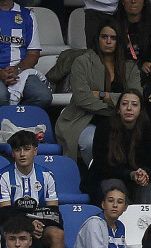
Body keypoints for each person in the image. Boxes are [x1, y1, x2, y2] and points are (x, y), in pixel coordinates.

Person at [55, 23, 142, 168]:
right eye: (104, 37)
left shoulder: (130, 67)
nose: (108, 41)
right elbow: (82, 99)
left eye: (113, 38)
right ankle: (97, 180)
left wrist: (103, 95)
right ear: (98, 39)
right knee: (91, 143)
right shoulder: (82, 62)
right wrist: (118, 106)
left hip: (121, 121)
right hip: (83, 119)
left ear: (119, 41)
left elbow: (136, 96)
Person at [0, 129, 65, 248]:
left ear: (35, 151)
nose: (22, 154)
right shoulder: (3, 176)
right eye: (17, 150)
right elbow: (4, 213)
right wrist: (28, 224)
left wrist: (37, 226)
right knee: (16, 234)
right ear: (12, 153)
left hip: (40, 225)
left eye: (27, 149)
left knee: (58, 234)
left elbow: (53, 212)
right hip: (13, 226)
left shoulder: (46, 176)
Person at [0, 0, 51, 112]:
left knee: (43, 96)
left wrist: (18, 69)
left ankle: (20, 125)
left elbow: (33, 53)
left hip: (21, 72)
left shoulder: (28, 15)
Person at [75, 180, 147, 248]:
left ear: (125, 207)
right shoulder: (94, 224)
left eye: (120, 202)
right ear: (103, 204)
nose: (115, 205)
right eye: (110, 201)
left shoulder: (120, 226)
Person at [85, 90, 151, 204]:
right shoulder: (104, 128)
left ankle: (143, 220)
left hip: (138, 179)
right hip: (109, 177)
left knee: (146, 185)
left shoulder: (147, 129)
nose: (129, 108)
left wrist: (144, 173)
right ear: (118, 109)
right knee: (116, 187)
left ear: (140, 110)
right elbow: (101, 165)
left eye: (134, 104)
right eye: (124, 104)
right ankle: (121, 221)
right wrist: (130, 174)